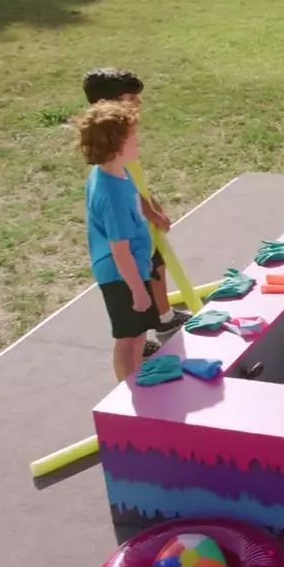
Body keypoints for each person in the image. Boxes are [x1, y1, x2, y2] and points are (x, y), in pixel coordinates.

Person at [83, 68, 190, 355]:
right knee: (144, 278)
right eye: (131, 98)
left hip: (136, 225)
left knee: (155, 265)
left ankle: (160, 319)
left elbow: (133, 183)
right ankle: (145, 333)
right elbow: (122, 194)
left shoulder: (118, 142)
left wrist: (151, 205)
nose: (139, 104)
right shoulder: (113, 147)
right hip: (125, 237)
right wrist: (150, 211)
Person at [75, 101, 159, 382]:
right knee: (128, 338)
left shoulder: (113, 173)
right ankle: (127, 389)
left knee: (138, 334)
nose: (138, 141)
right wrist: (138, 290)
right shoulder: (111, 196)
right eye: (132, 136)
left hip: (131, 269)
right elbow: (120, 251)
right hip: (121, 275)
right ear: (116, 144)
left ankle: (135, 380)